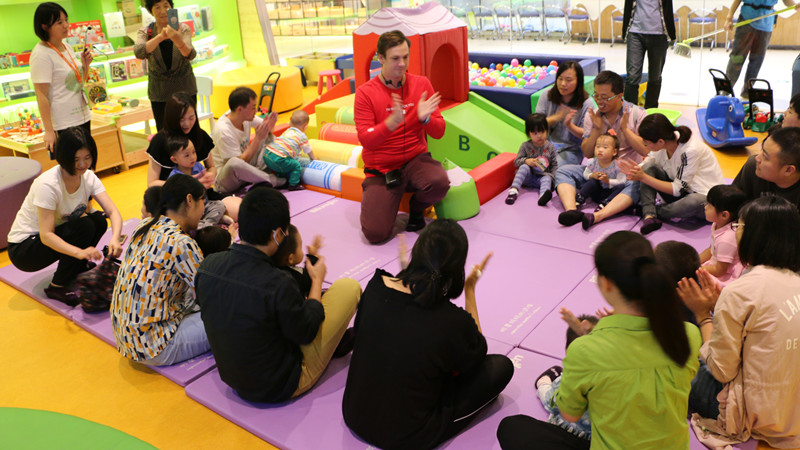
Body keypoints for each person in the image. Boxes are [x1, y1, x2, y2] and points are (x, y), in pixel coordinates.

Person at [497, 231, 701, 450]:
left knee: (513, 427)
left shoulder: (584, 351)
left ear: (606, 283)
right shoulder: (688, 334)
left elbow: (569, 414)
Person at [342, 219, 513, 449]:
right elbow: (477, 357)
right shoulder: (452, 321)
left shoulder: (375, 287)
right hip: (408, 435)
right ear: (457, 269)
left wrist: (407, 271)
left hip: (354, 414)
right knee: (501, 367)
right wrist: (470, 290)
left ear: (417, 253)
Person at [195, 187, 361, 402]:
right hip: (280, 385)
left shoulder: (208, 266)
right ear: (278, 234)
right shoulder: (278, 283)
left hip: (233, 380)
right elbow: (307, 331)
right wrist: (317, 280)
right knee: (348, 287)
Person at [679, 196, 800, 448]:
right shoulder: (794, 280)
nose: (735, 231)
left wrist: (703, 315)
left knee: (673, 365)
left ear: (754, 235)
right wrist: (718, 307)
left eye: (739, 225)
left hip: (753, 414)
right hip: (791, 408)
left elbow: (721, 371)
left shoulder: (741, 292)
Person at [8, 127, 123, 305]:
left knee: (98, 220)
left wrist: (115, 238)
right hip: (24, 249)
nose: (83, 164)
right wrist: (80, 252)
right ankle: (57, 286)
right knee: (83, 227)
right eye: (76, 159)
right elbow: (46, 235)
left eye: (87, 157)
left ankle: (77, 267)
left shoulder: (88, 177)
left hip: (46, 238)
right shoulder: (48, 185)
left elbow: (112, 211)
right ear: (64, 157)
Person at [354, 30, 449, 244]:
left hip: (415, 160)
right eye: (395, 58)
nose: (402, 64)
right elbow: (366, 139)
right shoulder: (365, 93)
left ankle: (416, 208)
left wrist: (426, 119)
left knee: (440, 183)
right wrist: (390, 124)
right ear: (380, 58)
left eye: (405, 57)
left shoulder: (421, 84)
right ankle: (387, 199)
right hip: (383, 169)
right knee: (375, 234)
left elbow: (439, 131)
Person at [112, 174, 209, 366]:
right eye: (202, 201)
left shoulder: (145, 225)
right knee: (233, 314)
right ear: (190, 200)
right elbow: (212, 293)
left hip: (127, 339)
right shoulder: (181, 243)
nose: (203, 209)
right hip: (155, 347)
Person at [556, 71, 648, 230]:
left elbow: (645, 150)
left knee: (640, 184)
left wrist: (625, 130)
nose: (599, 101)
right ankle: (572, 210)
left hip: (625, 176)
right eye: (596, 96)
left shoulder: (637, 114)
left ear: (619, 96)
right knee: (563, 171)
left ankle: (598, 215)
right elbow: (587, 153)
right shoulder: (593, 115)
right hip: (598, 172)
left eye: (605, 97)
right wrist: (597, 129)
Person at [146, 93, 241, 220]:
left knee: (241, 209)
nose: (187, 123)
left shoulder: (199, 135)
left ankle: (212, 216)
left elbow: (211, 167)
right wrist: (186, 184)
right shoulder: (159, 141)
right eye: (181, 119)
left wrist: (209, 176)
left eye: (191, 118)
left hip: (202, 195)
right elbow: (152, 183)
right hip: (173, 200)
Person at [629, 113, 725, 234]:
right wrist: (635, 170)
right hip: (681, 191)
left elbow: (678, 190)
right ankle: (649, 216)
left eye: (646, 142)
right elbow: (649, 161)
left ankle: (650, 211)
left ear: (660, 141)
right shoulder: (664, 144)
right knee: (648, 167)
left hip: (703, 197)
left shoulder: (690, 150)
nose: (644, 144)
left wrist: (643, 177)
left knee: (693, 201)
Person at [31, 2, 92, 156]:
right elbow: (41, 94)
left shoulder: (66, 46)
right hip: (64, 122)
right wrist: (49, 130)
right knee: (73, 165)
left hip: (82, 116)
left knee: (87, 162)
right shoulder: (41, 54)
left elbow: (78, 82)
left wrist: (85, 65)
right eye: (59, 22)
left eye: (66, 20)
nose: (66, 25)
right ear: (45, 27)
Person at [134, 0, 197, 131]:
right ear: (151, 11)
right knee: (164, 132)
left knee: (189, 130)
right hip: (160, 93)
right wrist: (160, 37)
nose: (162, 11)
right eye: (157, 7)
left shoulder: (183, 28)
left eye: (166, 6)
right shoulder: (145, 32)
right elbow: (139, 52)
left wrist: (177, 39)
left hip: (185, 90)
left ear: (172, 8)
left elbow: (190, 54)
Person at [212, 87, 284, 195]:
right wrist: (257, 138)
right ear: (240, 109)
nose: (256, 111)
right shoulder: (223, 130)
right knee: (234, 163)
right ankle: (270, 180)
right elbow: (239, 163)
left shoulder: (245, 116)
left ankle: (260, 177)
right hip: (227, 181)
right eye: (253, 107)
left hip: (246, 166)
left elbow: (269, 131)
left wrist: (269, 126)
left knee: (269, 137)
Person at [724, 0, 800, 99]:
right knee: (737, 58)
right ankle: (725, 91)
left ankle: (747, 92)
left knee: (756, 61)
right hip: (746, 20)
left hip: (765, 24)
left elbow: (787, 1)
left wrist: (795, 5)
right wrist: (729, 17)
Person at [534, 61, 593, 166]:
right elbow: (535, 125)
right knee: (527, 167)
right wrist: (556, 117)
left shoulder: (586, 103)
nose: (563, 84)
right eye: (560, 79)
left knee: (553, 169)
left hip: (571, 150)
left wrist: (569, 125)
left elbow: (587, 136)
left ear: (578, 81)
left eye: (568, 80)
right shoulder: (546, 95)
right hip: (546, 146)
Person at [621, 0, 676, 108]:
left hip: (659, 33)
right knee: (632, 77)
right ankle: (630, 113)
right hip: (635, 32)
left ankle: (651, 113)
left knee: (655, 77)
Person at [166, 134, 228, 229]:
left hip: (203, 205)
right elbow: (178, 200)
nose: (192, 157)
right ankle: (204, 225)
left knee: (220, 205)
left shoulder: (198, 166)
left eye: (194, 152)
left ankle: (206, 224)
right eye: (187, 155)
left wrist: (208, 181)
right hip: (188, 212)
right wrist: (196, 183)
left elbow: (206, 189)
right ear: (175, 159)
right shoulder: (175, 177)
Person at [731, 126, 800, 207]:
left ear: (788, 170)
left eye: (765, 156)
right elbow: (731, 205)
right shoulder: (753, 166)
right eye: (762, 151)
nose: (757, 158)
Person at [505, 113, 558, 206]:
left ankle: (543, 197)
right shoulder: (525, 146)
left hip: (542, 178)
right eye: (535, 133)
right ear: (529, 133)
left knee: (547, 178)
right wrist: (526, 161)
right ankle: (513, 191)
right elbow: (516, 162)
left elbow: (554, 165)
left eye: (542, 131)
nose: (539, 136)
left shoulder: (550, 147)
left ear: (547, 131)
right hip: (527, 178)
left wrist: (553, 179)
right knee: (524, 167)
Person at [700, 185, 747, 286]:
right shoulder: (717, 224)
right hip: (716, 263)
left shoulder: (727, 239)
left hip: (726, 275)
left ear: (724, 215)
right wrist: (695, 262)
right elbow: (711, 249)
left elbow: (720, 270)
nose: (705, 207)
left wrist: (698, 268)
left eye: (709, 206)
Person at [263, 110, 316, 191]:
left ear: (290, 122)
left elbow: (287, 147)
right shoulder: (302, 136)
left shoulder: (288, 131)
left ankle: (281, 181)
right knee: (296, 165)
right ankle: (293, 184)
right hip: (278, 158)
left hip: (267, 154)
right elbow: (307, 149)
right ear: (305, 126)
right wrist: (313, 158)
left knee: (284, 165)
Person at [574, 132, 626, 213]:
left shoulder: (617, 165)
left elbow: (622, 181)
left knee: (621, 187)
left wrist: (608, 181)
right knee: (593, 181)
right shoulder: (592, 162)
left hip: (609, 193)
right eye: (598, 146)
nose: (600, 150)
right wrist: (592, 175)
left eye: (605, 147)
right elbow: (585, 174)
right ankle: (580, 198)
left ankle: (605, 204)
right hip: (596, 192)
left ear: (614, 152)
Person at [272, 224, 322, 298]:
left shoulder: (271, 268)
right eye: (300, 245)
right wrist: (312, 257)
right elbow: (310, 278)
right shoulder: (294, 276)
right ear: (291, 259)